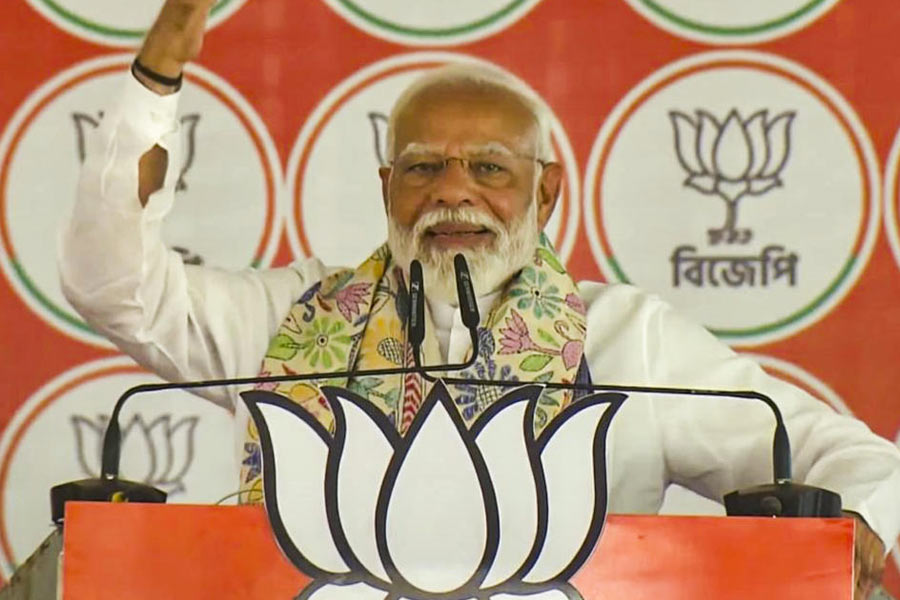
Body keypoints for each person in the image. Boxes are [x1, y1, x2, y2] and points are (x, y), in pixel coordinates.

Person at [59, 1, 899, 598]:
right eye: (423, 168)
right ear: (387, 186)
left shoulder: (630, 341)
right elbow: (113, 284)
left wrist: (853, 528)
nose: (452, 193)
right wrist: (156, 74)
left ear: (549, 192)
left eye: (490, 168)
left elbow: (855, 461)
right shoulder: (292, 316)